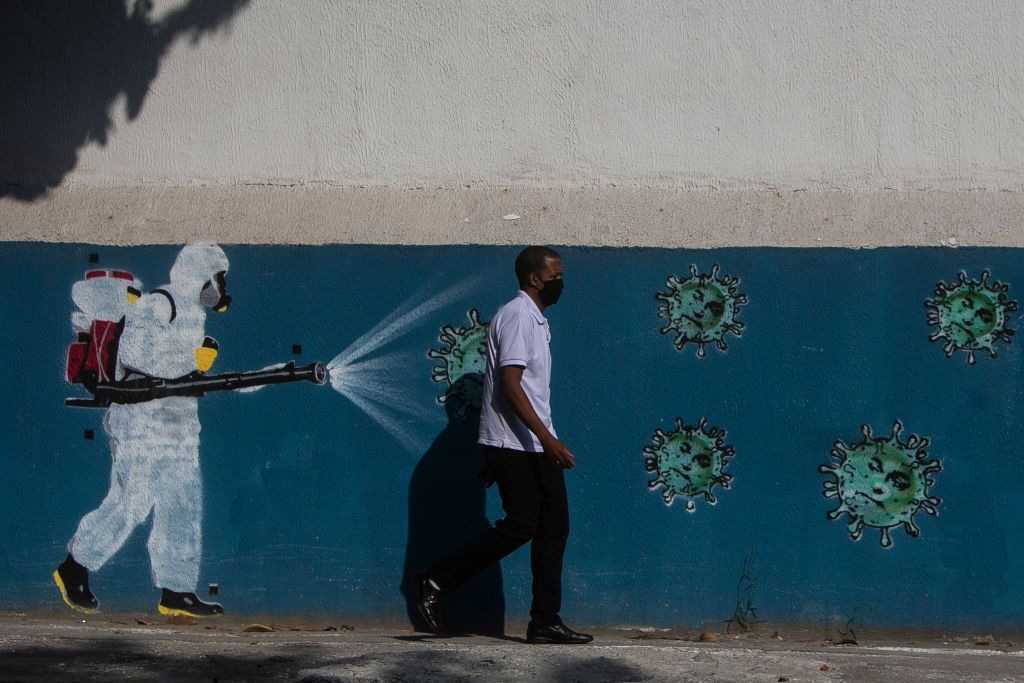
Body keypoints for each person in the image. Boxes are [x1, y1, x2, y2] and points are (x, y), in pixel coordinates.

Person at [417, 245, 593, 644]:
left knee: (554, 525)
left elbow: (510, 389)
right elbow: (510, 386)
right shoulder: (516, 316)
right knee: (522, 525)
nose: (560, 283)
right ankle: (436, 580)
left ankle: (544, 620)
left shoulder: (535, 320)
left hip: (525, 442)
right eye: (555, 276)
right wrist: (547, 439)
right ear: (534, 278)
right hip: (522, 442)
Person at [53, 243, 230, 618]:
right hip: (140, 421)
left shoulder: (195, 315)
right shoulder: (156, 304)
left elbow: (183, 372)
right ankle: (75, 566)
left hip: (179, 423)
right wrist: (188, 361)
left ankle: (177, 590)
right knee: (131, 500)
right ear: (200, 275)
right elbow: (135, 355)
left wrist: (197, 367)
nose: (220, 287)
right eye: (218, 277)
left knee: (182, 504)